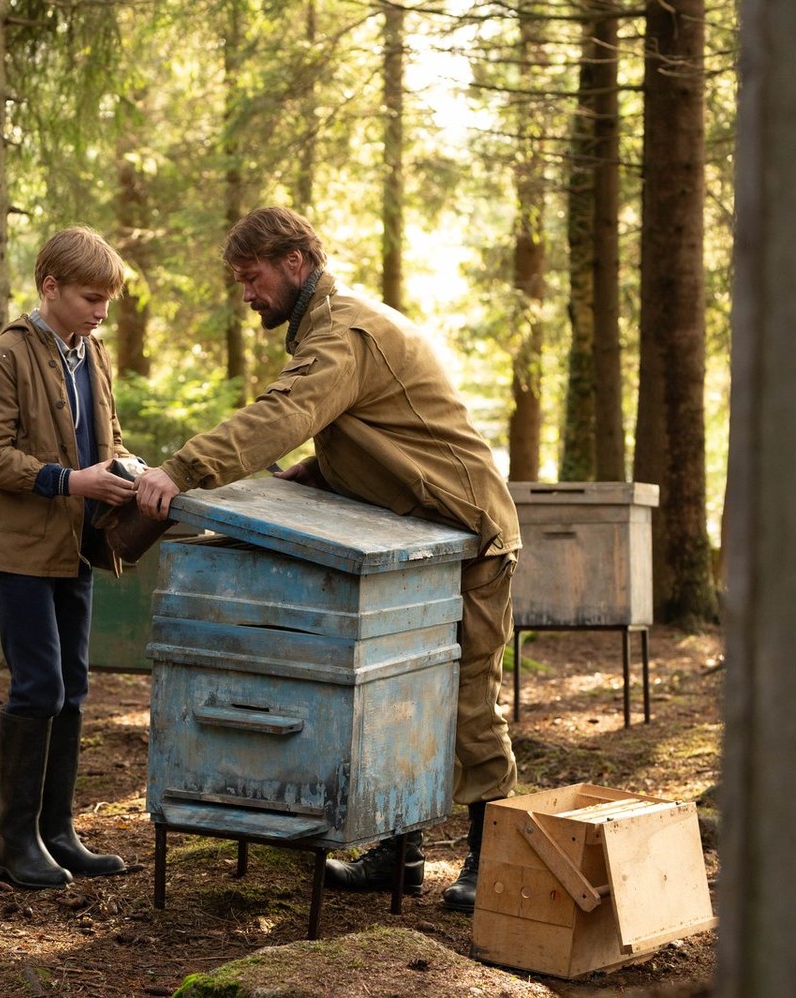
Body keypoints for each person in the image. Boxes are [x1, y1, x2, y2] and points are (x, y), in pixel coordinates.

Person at [134, 206, 520, 912]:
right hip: (410, 527)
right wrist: (322, 469)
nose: (245, 295)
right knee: (391, 698)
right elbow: (375, 424)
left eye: (251, 278)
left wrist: (181, 470)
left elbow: (286, 411)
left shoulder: (342, 330)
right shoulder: (328, 325)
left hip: (465, 533)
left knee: (462, 698)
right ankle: (398, 856)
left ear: (294, 263)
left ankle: (488, 856)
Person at [0, 226, 140, 889]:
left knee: (72, 686)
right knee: (37, 685)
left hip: (75, 543)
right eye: (91, 298)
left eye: (107, 301)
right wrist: (73, 481)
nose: (101, 312)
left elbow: (107, 432)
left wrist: (123, 468)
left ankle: (57, 831)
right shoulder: (2, 358)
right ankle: (13, 842)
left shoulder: (91, 353)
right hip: (16, 547)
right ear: (50, 287)